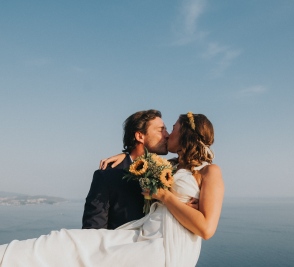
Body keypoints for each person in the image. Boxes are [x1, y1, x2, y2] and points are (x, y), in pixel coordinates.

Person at [0, 112, 224, 267]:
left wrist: (165, 196)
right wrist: (127, 156)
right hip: (144, 233)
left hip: (163, 245)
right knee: (66, 241)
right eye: (165, 130)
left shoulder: (209, 172)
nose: (168, 134)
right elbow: (145, 160)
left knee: (77, 247)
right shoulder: (171, 166)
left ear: (185, 134)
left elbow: (206, 229)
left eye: (172, 129)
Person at [82, 109, 170, 229]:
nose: (167, 135)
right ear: (140, 136)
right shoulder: (107, 176)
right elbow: (93, 228)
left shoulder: (168, 174)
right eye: (161, 130)